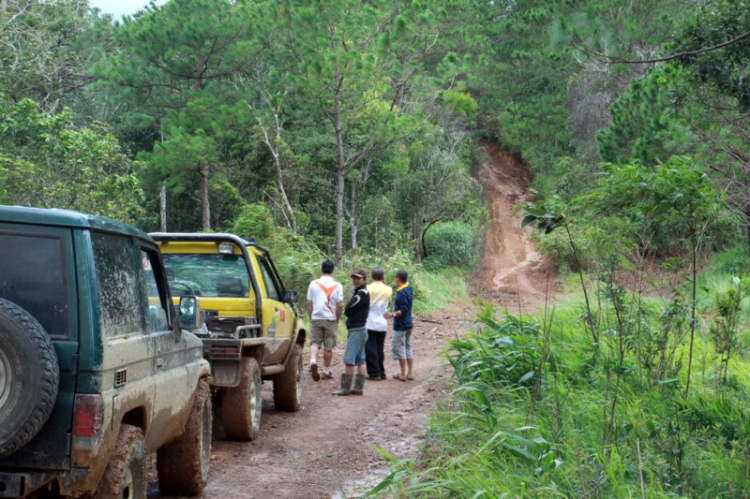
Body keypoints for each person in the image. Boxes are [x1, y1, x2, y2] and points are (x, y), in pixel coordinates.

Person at [333, 268, 370, 396]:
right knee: (360, 360)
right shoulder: (362, 293)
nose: (355, 280)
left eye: (358, 278)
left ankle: (345, 388)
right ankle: (358, 388)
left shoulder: (361, 294)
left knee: (349, 359)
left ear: (364, 279)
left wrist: (347, 309)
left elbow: (347, 309)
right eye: (354, 278)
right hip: (362, 330)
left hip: (356, 331)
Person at [307, 260, 344, 382]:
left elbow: (309, 302)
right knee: (328, 346)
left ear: (321, 270)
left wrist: (311, 317)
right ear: (332, 271)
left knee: (314, 342)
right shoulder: (338, 286)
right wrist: (337, 319)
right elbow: (339, 306)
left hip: (316, 317)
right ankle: (326, 371)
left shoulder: (313, 283)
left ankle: (313, 360)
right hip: (330, 318)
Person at [365, 267, 392, 381]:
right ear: (383, 278)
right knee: (379, 348)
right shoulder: (388, 289)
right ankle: (381, 371)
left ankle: (374, 372)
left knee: (370, 348)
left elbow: (366, 305)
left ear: (372, 278)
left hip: (369, 322)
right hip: (382, 322)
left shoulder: (367, 288)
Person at [387, 269, 413, 382]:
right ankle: (410, 373)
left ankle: (402, 373)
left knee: (399, 348)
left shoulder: (401, 294)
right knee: (407, 347)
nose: (394, 280)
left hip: (401, 325)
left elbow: (403, 310)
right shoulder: (409, 288)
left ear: (398, 279)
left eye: (395, 278)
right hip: (408, 324)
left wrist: (392, 314)